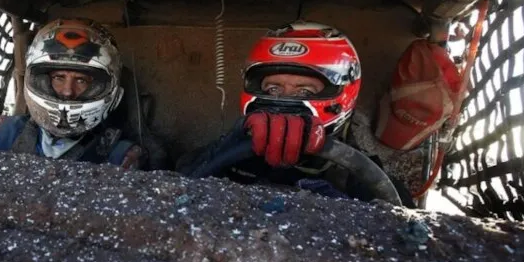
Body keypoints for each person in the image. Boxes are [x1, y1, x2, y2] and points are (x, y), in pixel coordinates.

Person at [177, 21, 415, 205]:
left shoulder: (368, 183)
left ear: (343, 93)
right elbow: (177, 186)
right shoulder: (224, 157)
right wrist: (226, 148)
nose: (285, 100)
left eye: (305, 90)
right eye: (273, 88)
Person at [0, 18, 154, 170]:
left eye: (81, 81)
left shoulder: (121, 156)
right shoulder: (4, 133)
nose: (68, 91)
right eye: (58, 77)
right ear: (41, 81)